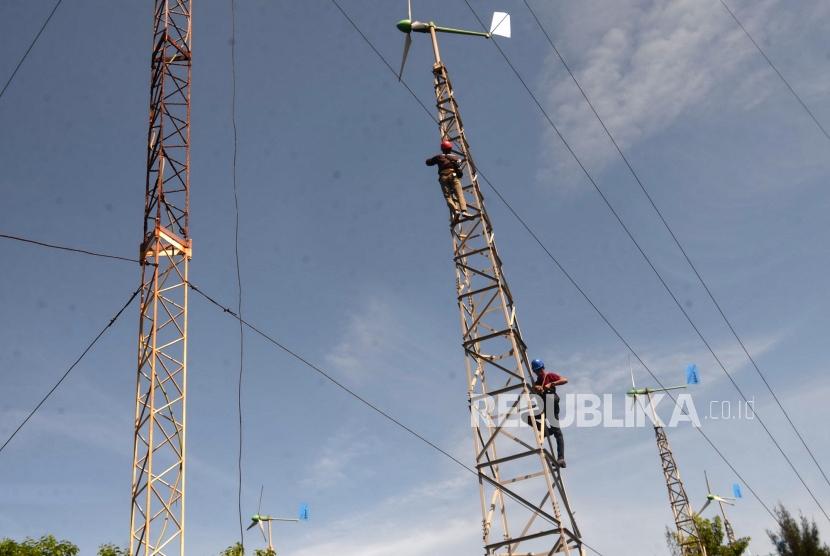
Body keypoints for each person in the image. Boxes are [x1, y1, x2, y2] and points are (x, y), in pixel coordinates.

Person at [527, 358, 568, 468]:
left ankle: (561, 458)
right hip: (544, 406)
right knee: (529, 418)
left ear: (543, 368)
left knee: (557, 431)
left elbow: (564, 380)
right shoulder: (537, 382)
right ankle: (546, 431)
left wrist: (552, 384)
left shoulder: (549, 376)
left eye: (539, 370)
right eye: (536, 371)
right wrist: (536, 388)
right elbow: (533, 392)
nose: (538, 372)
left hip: (551, 403)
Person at [425, 139, 468, 217]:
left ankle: (455, 210)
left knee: (448, 196)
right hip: (453, 175)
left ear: (442, 149)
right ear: (451, 149)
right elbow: (459, 171)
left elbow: (428, 162)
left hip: (443, 177)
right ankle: (464, 211)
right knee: (459, 194)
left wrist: (432, 159)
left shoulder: (439, 157)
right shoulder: (455, 158)